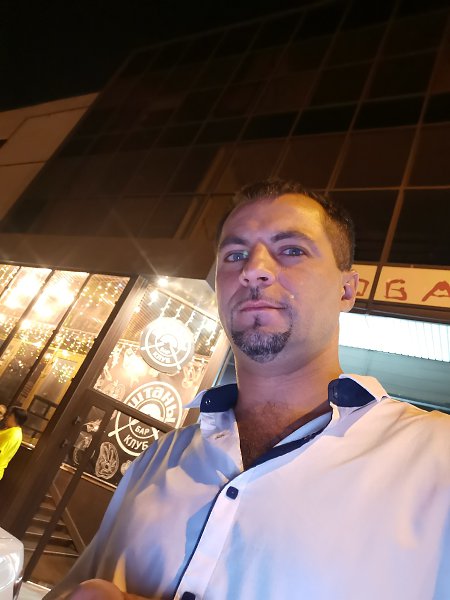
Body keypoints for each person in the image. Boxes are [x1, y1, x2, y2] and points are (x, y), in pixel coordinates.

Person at [47, 180, 450, 600]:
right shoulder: (161, 457)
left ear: (347, 290)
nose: (253, 269)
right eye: (235, 255)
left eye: (291, 250)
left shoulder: (438, 456)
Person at [0, 405, 27, 479]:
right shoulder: (15, 431)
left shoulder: (13, 433)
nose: (6, 417)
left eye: (10, 415)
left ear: (16, 418)